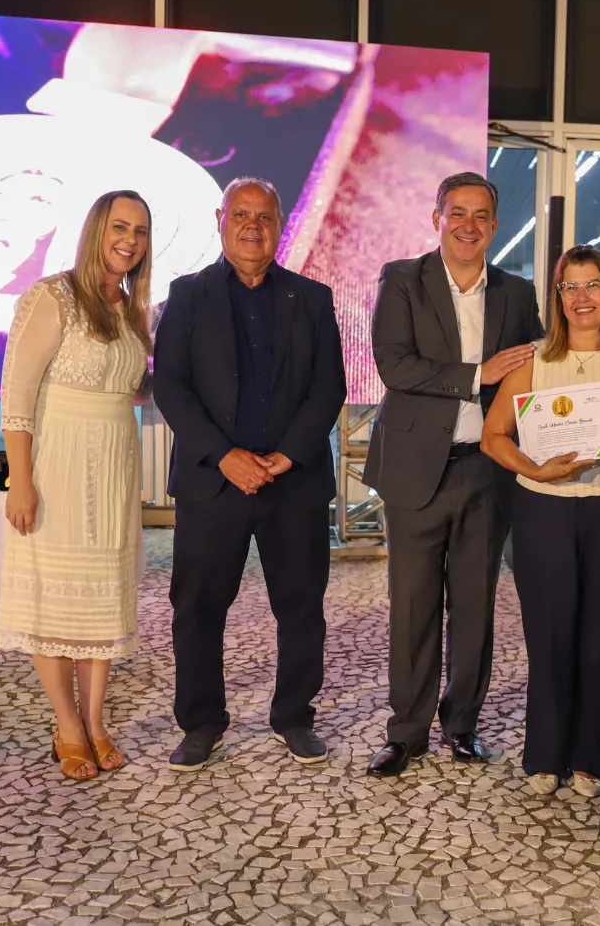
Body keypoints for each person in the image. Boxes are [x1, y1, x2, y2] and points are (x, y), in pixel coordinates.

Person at [152, 176, 346, 772]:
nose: (253, 226)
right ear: (220, 219)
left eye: (265, 215)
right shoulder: (187, 295)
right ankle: (202, 722)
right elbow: (171, 386)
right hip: (215, 481)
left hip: (295, 481)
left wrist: (286, 455)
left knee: (301, 606)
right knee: (200, 607)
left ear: (280, 224)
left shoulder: (312, 298)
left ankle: (294, 717)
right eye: (242, 214)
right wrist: (225, 455)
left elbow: (328, 387)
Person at [363, 172, 544, 777]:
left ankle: (462, 724)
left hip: (486, 471)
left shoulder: (517, 294)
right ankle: (406, 732)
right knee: (413, 605)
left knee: (475, 607)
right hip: (416, 469)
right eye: (457, 213)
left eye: (481, 216)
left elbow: (535, 375)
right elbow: (394, 364)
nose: (469, 225)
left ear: (495, 226)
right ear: (436, 217)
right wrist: (477, 374)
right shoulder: (402, 279)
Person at [480, 245, 600, 798]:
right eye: (570, 287)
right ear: (557, 298)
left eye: (594, 285)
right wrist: (535, 465)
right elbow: (493, 437)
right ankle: (544, 755)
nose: (583, 297)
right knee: (550, 636)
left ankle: (591, 758)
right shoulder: (534, 360)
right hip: (544, 510)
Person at [0, 189, 153, 780]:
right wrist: (21, 481)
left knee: (103, 598)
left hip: (114, 463)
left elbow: (135, 388)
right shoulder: (50, 297)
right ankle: (67, 726)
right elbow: (16, 397)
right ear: (96, 230)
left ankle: (96, 720)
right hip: (59, 460)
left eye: (140, 232)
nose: (130, 241)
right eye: (120, 227)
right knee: (56, 599)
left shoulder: (134, 307)